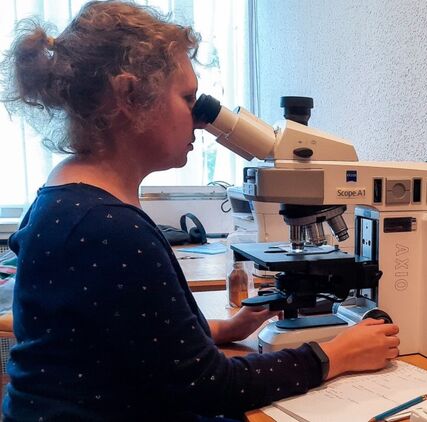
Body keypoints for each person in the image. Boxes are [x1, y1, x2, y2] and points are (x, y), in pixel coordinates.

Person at [0, 1, 400, 420]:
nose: (201, 119)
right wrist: (335, 355)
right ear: (129, 98)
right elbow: (210, 388)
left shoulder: (66, 198)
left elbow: (118, 332)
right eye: (188, 98)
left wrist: (221, 329)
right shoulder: (108, 228)